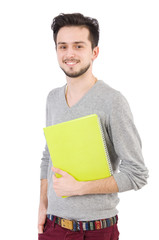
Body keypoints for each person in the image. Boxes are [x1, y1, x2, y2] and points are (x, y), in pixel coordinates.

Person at [38, 13, 148, 240]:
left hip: (96, 230)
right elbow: (49, 157)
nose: (69, 54)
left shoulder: (112, 101)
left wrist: (79, 187)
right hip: (53, 228)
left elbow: (137, 174)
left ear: (94, 52)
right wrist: (42, 206)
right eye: (63, 46)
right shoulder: (53, 98)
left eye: (78, 46)